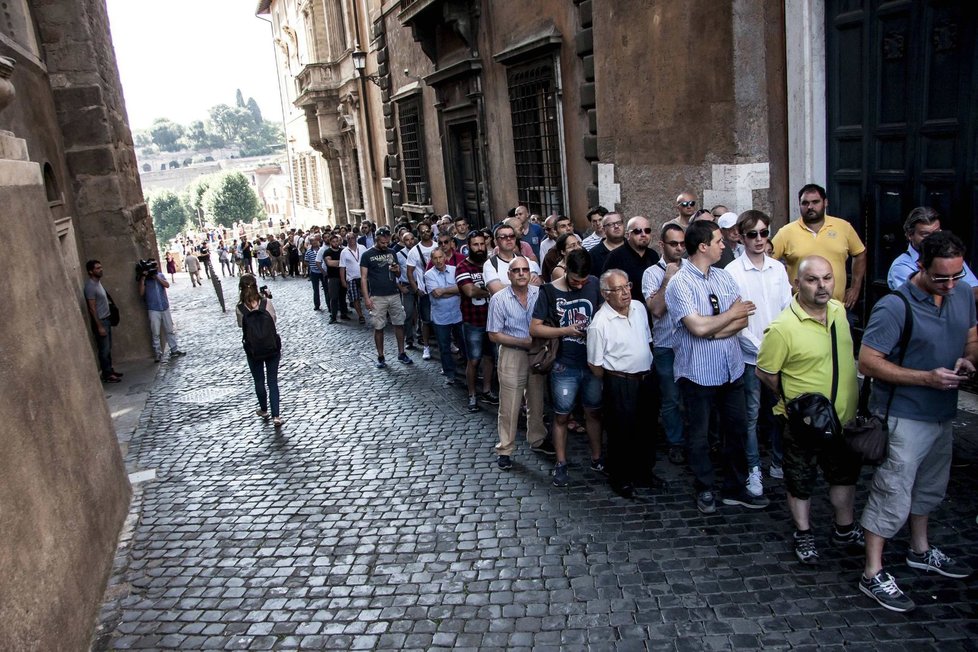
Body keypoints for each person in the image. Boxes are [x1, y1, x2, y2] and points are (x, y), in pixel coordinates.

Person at [857, 231, 977, 612]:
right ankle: (872, 571)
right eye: (941, 278)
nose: (950, 284)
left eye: (957, 276)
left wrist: (969, 360)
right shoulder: (895, 306)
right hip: (904, 413)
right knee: (893, 490)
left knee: (930, 486)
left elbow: (971, 336)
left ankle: (919, 550)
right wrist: (925, 377)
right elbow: (869, 362)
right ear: (920, 266)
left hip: (943, 411)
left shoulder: (961, 295)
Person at [756, 256, 863, 565]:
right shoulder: (782, 327)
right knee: (800, 479)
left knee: (843, 477)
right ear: (796, 284)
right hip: (804, 422)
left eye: (827, 278)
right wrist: (794, 401)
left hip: (843, 419)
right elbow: (765, 373)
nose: (822, 286)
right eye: (813, 280)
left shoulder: (839, 312)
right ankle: (803, 533)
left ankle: (844, 527)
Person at [665, 221, 769, 513]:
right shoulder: (679, 284)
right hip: (698, 373)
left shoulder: (724, 277)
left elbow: (742, 319)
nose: (724, 245)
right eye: (719, 241)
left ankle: (735, 487)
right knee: (699, 435)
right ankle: (705, 487)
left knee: (736, 429)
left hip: (730, 369)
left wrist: (713, 328)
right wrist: (725, 318)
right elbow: (696, 326)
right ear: (703, 246)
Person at [725, 210, 793, 495]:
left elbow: (787, 309)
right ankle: (754, 469)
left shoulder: (777, 269)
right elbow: (735, 319)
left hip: (780, 356)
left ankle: (778, 461)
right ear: (741, 236)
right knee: (750, 415)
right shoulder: (732, 272)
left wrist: (783, 348)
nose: (759, 239)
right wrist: (762, 349)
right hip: (750, 357)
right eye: (752, 234)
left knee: (782, 412)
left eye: (764, 233)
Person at [531, 249, 604, 487]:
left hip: (592, 363)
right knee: (561, 416)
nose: (579, 285)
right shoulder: (549, 291)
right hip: (564, 364)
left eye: (583, 281)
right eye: (575, 280)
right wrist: (565, 331)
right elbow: (535, 328)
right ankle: (561, 464)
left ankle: (597, 457)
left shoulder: (594, 283)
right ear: (565, 270)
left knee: (593, 412)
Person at [586, 269, 655, 498]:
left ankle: (645, 473)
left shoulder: (639, 308)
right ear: (606, 294)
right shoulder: (599, 323)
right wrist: (614, 382)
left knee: (646, 428)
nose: (625, 293)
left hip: (645, 378)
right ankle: (621, 479)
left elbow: (647, 339)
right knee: (620, 433)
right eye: (618, 289)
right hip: (619, 382)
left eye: (627, 286)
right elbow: (595, 365)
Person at [487, 257, 553, 470]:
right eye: (516, 270)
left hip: (536, 354)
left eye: (525, 269)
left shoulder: (539, 294)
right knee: (509, 404)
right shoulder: (499, 299)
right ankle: (505, 448)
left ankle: (537, 439)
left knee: (536, 400)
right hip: (512, 354)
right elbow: (494, 334)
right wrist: (522, 341)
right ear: (509, 275)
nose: (522, 273)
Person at [771, 183, 867, 309]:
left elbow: (860, 253)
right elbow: (768, 262)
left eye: (815, 202)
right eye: (805, 203)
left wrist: (855, 287)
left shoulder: (843, 227)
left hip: (837, 307)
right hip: (801, 309)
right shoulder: (786, 232)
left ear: (825, 202)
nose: (810, 207)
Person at [643, 223, 686, 465]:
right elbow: (657, 310)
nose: (679, 248)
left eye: (682, 243)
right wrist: (668, 279)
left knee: (692, 397)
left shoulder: (692, 269)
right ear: (662, 245)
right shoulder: (652, 273)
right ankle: (675, 442)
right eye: (674, 244)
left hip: (691, 344)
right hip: (665, 345)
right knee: (670, 398)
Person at [887, 206, 978, 301]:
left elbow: (975, 291)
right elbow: (921, 301)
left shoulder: (952, 256)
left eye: (936, 232)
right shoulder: (901, 266)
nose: (933, 238)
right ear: (910, 235)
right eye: (925, 234)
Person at [456, 230, 498, 412]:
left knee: (490, 358)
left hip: (494, 321)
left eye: (482, 244)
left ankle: (487, 390)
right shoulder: (462, 267)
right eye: (475, 245)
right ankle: (472, 394)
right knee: (473, 360)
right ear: (469, 246)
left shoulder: (491, 265)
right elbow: (469, 291)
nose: (480, 248)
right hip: (473, 321)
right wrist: (494, 291)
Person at [361, 227, 412, 368]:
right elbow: (363, 278)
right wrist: (366, 298)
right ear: (376, 240)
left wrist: (397, 271)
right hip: (377, 296)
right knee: (379, 327)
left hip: (394, 294)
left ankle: (402, 352)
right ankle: (380, 356)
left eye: (387, 242)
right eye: (383, 242)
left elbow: (397, 273)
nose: (385, 245)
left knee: (399, 324)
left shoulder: (391, 252)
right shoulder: (367, 255)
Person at [236, 274, 283, 428]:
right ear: (256, 286)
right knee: (272, 381)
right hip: (271, 346)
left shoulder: (240, 308)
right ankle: (276, 416)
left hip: (253, 349)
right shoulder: (266, 302)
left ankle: (264, 409)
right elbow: (274, 319)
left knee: (259, 381)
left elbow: (240, 325)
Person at [425, 248, 464, 385]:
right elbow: (436, 294)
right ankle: (449, 373)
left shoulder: (455, 270)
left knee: (463, 344)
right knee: (444, 347)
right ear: (432, 260)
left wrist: (445, 291)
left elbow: (463, 289)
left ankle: (466, 370)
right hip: (441, 317)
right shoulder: (429, 275)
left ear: (445, 257)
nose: (438, 260)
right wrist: (454, 290)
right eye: (435, 258)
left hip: (458, 314)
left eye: (440, 257)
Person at [601, 215, 660, 302]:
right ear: (628, 235)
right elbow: (606, 288)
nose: (643, 234)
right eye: (637, 231)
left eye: (647, 231)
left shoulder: (653, 255)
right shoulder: (615, 257)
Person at [138, 260, 186, 363]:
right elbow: (141, 293)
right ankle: (157, 353)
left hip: (164, 306)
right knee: (155, 332)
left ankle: (174, 349)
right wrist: (143, 278)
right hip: (153, 308)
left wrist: (157, 277)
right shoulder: (145, 279)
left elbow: (167, 285)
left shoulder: (160, 275)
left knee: (169, 329)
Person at [84, 259, 121, 383]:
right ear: (90, 271)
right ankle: (107, 374)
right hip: (101, 321)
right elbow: (92, 308)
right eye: (97, 268)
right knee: (104, 349)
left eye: (101, 267)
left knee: (108, 347)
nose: (101, 269)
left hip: (107, 319)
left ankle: (109, 370)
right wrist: (99, 326)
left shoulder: (98, 283)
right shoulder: (90, 286)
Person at [407, 224, 438, 360]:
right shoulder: (414, 251)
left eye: (428, 230)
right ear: (419, 233)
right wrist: (415, 289)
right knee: (426, 320)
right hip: (424, 290)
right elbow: (410, 272)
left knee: (442, 318)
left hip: (438, 288)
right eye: (423, 231)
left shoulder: (437, 246)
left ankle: (448, 343)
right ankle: (426, 346)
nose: (426, 233)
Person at [485, 222, 542, 294]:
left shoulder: (525, 260)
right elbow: (497, 291)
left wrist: (506, 286)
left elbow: (537, 284)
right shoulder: (490, 264)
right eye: (503, 237)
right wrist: (525, 285)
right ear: (496, 241)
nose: (509, 239)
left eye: (512, 236)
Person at [318, 233, 350, 324]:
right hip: (333, 277)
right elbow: (329, 263)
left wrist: (339, 263)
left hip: (343, 276)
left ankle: (344, 313)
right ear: (330, 242)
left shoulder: (343, 251)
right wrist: (342, 262)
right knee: (334, 297)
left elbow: (347, 262)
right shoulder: (327, 252)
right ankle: (333, 316)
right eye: (333, 241)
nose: (335, 243)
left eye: (337, 241)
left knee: (343, 297)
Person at [340, 232, 367, 324]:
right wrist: (343, 281)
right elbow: (342, 267)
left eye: (352, 238)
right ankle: (360, 315)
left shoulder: (362, 248)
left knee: (369, 295)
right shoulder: (344, 252)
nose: (351, 240)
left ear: (356, 238)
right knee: (355, 297)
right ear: (346, 240)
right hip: (351, 278)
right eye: (349, 238)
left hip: (364, 276)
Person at [541, 216, 576, 281]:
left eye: (569, 225)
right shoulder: (551, 255)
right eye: (563, 226)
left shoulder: (580, 247)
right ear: (555, 232)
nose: (568, 228)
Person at [304, 235, 325, 311]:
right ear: (311, 243)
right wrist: (311, 265)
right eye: (313, 241)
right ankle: (317, 305)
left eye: (316, 240)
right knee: (315, 289)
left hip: (322, 271)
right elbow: (306, 261)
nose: (315, 242)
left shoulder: (322, 250)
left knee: (326, 288)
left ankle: (329, 305)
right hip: (314, 272)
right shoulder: (308, 251)